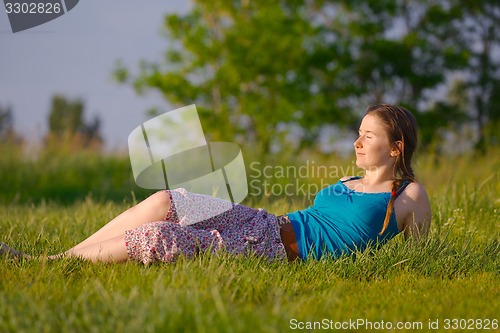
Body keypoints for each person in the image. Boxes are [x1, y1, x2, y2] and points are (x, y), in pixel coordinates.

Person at [0, 104, 431, 263]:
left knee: (160, 236)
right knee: (169, 200)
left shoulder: (408, 195)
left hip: (275, 252)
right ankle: (52, 258)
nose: (356, 141)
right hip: (265, 224)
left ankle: (50, 265)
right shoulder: (345, 179)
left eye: (368, 136)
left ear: (395, 148)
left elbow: (420, 259)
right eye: (358, 131)